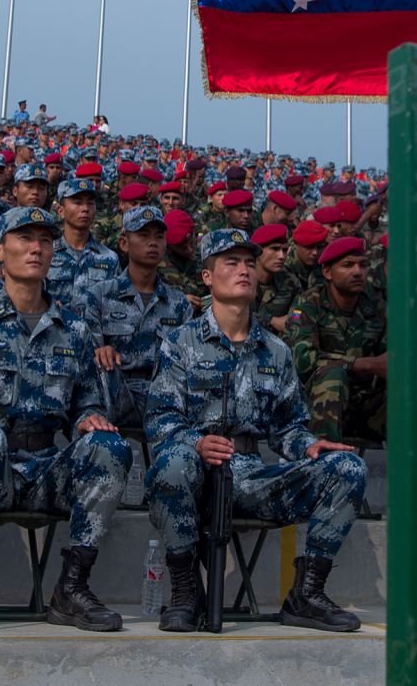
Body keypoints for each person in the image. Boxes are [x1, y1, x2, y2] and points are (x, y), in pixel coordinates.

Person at [144, 228, 366, 633]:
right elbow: (160, 420)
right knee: (173, 463)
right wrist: (196, 442)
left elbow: (287, 428)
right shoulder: (180, 342)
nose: (244, 270)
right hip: (198, 476)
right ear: (208, 277)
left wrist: (310, 445)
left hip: (252, 476)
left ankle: (307, 594)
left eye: (249, 262)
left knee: (347, 468)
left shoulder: (275, 350)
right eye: (231, 262)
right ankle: (185, 592)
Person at [0, 206, 131, 633]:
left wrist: (90, 420)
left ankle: (72, 586)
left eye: (45, 240)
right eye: (23, 238)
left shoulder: (72, 329)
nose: (35, 248)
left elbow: (88, 402)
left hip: (44, 470)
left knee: (111, 447)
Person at [83, 206, 192, 430]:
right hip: (113, 395)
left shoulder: (179, 303)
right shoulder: (100, 295)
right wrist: (100, 351)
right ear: (124, 243)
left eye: (159, 236)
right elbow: (87, 355)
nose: (152, 243)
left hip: (163, 397)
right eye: (143, 235)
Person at [287, 236, 388, 442]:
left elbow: (389, 358)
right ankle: (326, 464)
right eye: (348, 265)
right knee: (334, 376)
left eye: (363, 265)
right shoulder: (307, 304)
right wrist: (362, 364)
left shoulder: (375, 306)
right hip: (315, 400)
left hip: (364, 402)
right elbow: (303, 361)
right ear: (327, 272)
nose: (358, 272)